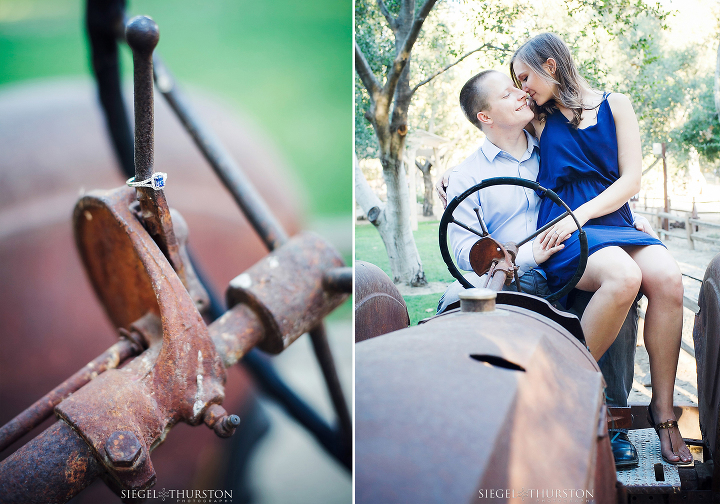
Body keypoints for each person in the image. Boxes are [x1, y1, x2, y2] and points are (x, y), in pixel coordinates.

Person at [436, 68, 652, 468]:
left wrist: (631, 219)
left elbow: (599, 184)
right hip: (523, 274)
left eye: (519, 88)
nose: (521, 94)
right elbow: (466, 250)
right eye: (507, 94)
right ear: (485, 117)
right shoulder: (467, 176)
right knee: (509, 300)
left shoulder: (552, 147)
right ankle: (523, 412)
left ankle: (608, 418)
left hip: (576, 258)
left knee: (619, 288)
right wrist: (528, 256)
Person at [510, 32, 690, 464]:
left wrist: (585, 214)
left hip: (611, 219)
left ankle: (664, 413)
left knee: (668, 279)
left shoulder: (616, 104)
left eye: (525, 76)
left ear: (550, 65)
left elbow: (631, 181)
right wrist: (451, 177)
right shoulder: (538, 117)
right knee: (624, 277)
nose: (522, 88)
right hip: (564, 227)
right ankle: (565, 390)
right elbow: (490, 123)